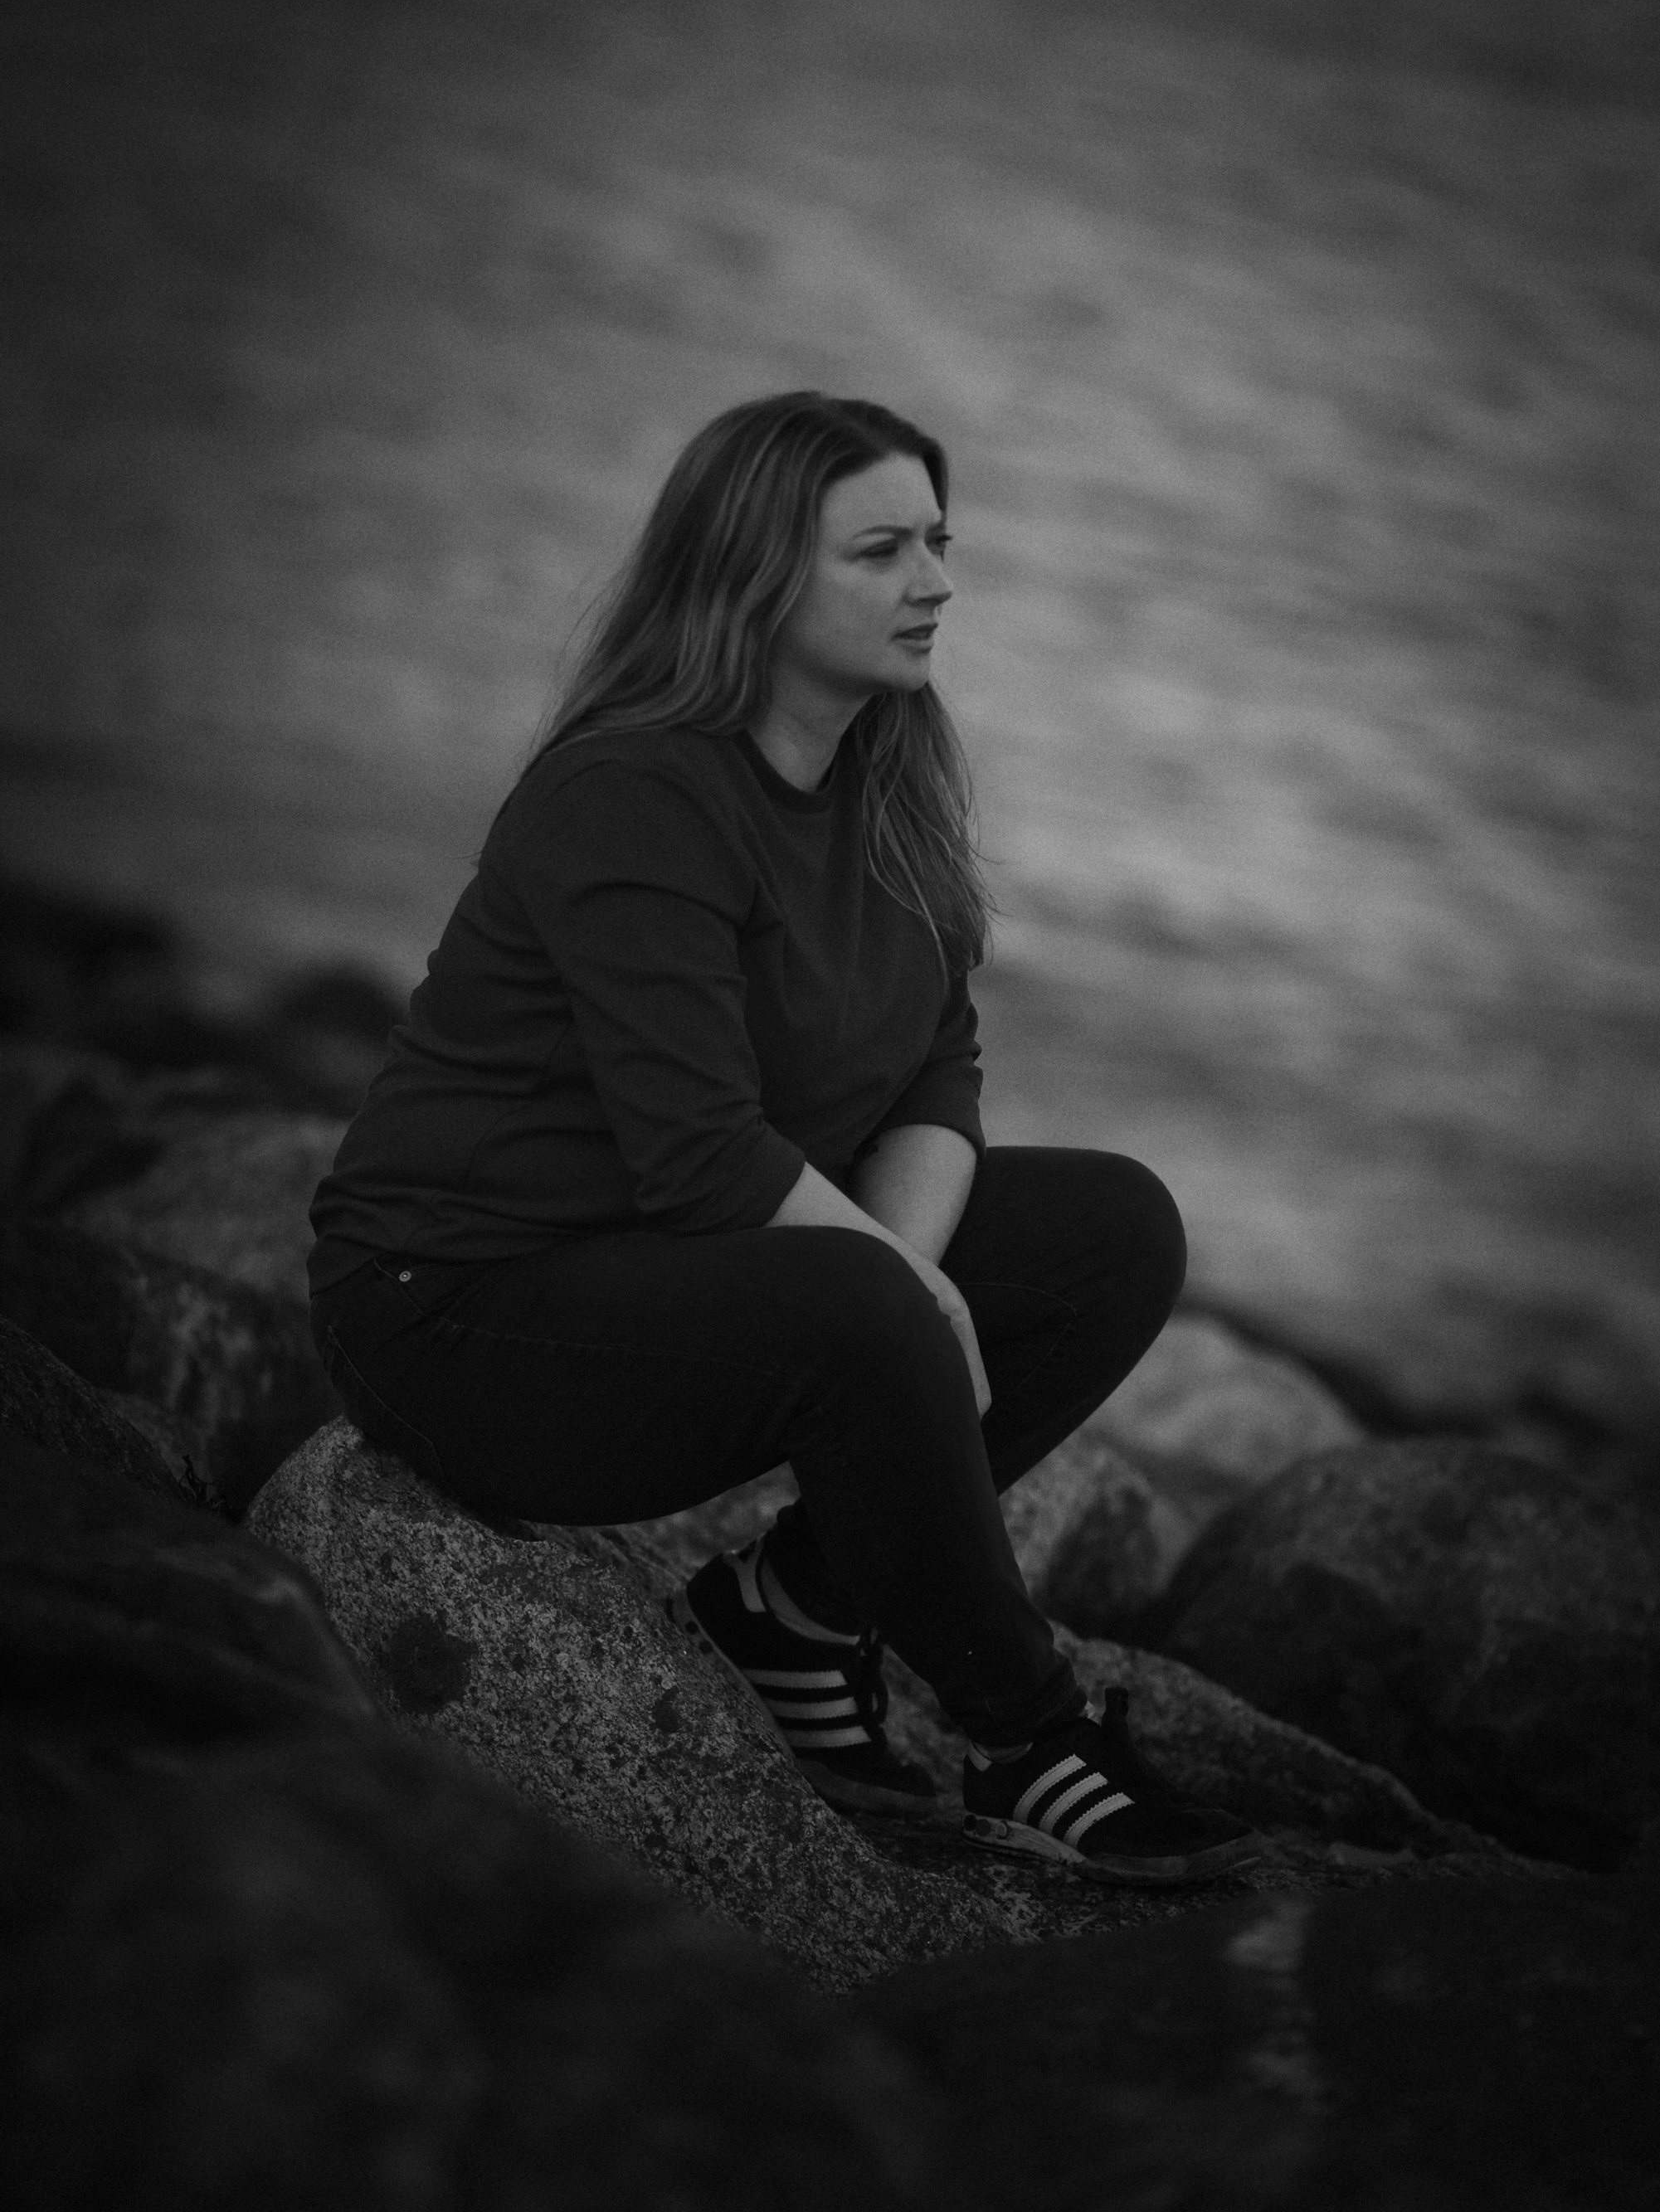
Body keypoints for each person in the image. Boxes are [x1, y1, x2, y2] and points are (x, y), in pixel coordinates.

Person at [307, 391, 1252, 1884]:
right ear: (753, 578)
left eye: (939, 542)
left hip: (673, 1274)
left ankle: (791, 1616)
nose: (937, 583)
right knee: (867, 1296)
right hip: (458, 1309)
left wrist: (905, 1285)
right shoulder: (632, 791)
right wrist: (896, 1296)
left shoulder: (890, 779)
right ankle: (1028, 1740)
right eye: (882, 551)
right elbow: (697, 1155)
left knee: (1114, 1231)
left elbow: (939, 1075)